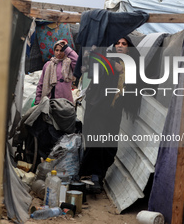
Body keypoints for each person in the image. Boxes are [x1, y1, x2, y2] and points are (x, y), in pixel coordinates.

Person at [79, 36, 143, 193]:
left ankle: (98, 176)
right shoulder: (107, 60)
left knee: (109, 148)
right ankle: (93, 176)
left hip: (115, 111)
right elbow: (91, 62)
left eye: (124, 44)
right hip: (99, 108)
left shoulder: (133, 64)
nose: (120, 46)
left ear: (129, 48)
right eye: (117, 43)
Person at [34, 40, 78, 105]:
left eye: (61, 50)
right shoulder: (48, 65)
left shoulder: (69, 64)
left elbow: (77, 60)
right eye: (57, 50)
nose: (59, 53)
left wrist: (67, 48)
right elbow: (41, 84)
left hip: (65, 102)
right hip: (49, 100)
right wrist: (38, 101)